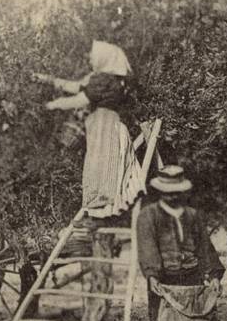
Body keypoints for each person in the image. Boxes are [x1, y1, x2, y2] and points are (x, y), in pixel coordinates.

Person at [136, 165, 225, 321]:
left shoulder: (193, 216)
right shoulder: (149, 215)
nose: (172, 196)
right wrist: (153, 275)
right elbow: (147, 247)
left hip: (192, 278)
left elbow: (205, 248)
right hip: (164, 281)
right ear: (160, 191)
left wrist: (213, 275)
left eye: (176, 191)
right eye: (168, 191)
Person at [36, 40, 147, 220]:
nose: (91, 60)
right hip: (102, 124)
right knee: (101, 166)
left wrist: (51, 105)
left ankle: (99, 215)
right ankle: (99, 212)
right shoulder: (112, 79)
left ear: (104, 58)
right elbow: (76, 86)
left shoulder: (105, 80)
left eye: (95, 57)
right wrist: (48, 80)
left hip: (104, 124)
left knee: (101, 167)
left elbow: (79, 100)